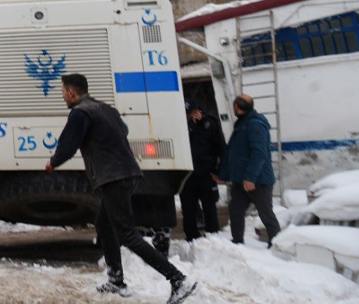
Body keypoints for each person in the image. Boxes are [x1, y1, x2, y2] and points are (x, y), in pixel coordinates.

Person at [47, 73, 196, 304]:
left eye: (63, 93)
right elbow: (123, 131)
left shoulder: (80, 112)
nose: (63, 97)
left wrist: (53, 162)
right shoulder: (105, 109)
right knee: (104, 225)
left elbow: (69, 143)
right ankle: (116, 280)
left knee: (127, 234)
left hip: (113, 177)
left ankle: (178, 279)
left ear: (71, 92)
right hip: (127, 173)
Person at [219, 94, 279, 246]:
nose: (233, 108)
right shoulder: (242, 124)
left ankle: (278, 244)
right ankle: (237, 242)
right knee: (236, 211)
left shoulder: (254, 124)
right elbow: (234, 153)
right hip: (241, 180)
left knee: (266, 214)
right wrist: (224, 175)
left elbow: (259, 153)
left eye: (235, 105)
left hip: (258, 181)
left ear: (238, 107)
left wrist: (251, 177)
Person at [180, 101, 225, 241]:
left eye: (189, 113)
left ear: (196, 110)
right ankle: (192, 238)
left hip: (207, 173)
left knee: (210, 208)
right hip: (187, 175)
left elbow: (221, 147)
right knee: (188, 209)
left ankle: (213, 237)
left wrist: (219, 171)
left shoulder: (210, 124)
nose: (187, 116)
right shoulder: (181, 124)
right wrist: (189, 124)